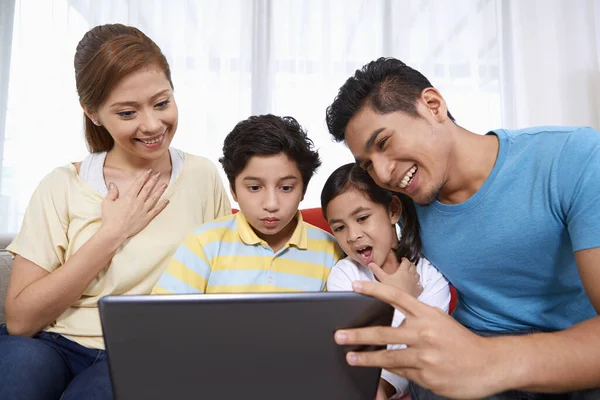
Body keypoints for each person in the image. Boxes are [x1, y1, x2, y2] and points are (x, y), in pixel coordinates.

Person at [325, 57, 600, 399]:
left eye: (384, 143)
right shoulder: (402, 204)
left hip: (570, 365)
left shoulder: (573, 157)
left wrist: (489, 361)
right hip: (457, 379)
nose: (382, 175)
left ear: (432, 105)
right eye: (367, 165)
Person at [0, 23, 230, 400]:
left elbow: (223, 286)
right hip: (50, 343)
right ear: (92, 113)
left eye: (162, 103)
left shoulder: (202, 177)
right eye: (127, 113)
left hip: (142, 352)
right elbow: (21, 321)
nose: (153, 125)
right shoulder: (61, 185)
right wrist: (111, 234)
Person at [152, 114, 342, 295]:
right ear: (233, 190)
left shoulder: (330, 251)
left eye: (285, 188)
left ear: (303, 190)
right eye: (254, 187)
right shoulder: (204, 244)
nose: (271, 204)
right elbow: (165, 317)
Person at [322, 163, 450, 399]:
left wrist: (383, 387)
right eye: (339, 227)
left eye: (362, 218)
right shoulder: (344, 273)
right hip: (359, 379)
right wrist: (398, 297)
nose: (353, 236)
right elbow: (354, 345)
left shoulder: (430, 275)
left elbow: (425, 347)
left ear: (392, 210)